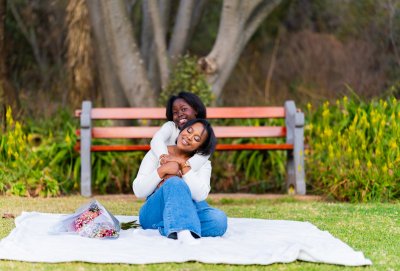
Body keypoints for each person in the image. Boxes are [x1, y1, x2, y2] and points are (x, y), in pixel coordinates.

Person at [133, 119, 227, 244]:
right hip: (153, 213)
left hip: (189, 208)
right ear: (182, 130)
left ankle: (165, 228)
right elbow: (138, 190)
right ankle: (184, 233)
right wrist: (162, 171)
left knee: (218, 220)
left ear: (200, 147)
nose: (189, 137)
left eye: (197, 139)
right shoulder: (157, 152)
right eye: (189, 131)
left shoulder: (203, 164)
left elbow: (200, 195)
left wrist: (184, 166)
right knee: (174, 182)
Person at [150, 91, 209, 173]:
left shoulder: (203, 132)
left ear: (196, 110)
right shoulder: (171, 126)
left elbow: (203, 155)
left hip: (188, 174)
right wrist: (165, 159)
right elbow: (157, 139)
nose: (179, 114)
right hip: (164, 171)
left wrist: (181, 165)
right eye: (175, 112)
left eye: (184, 109)